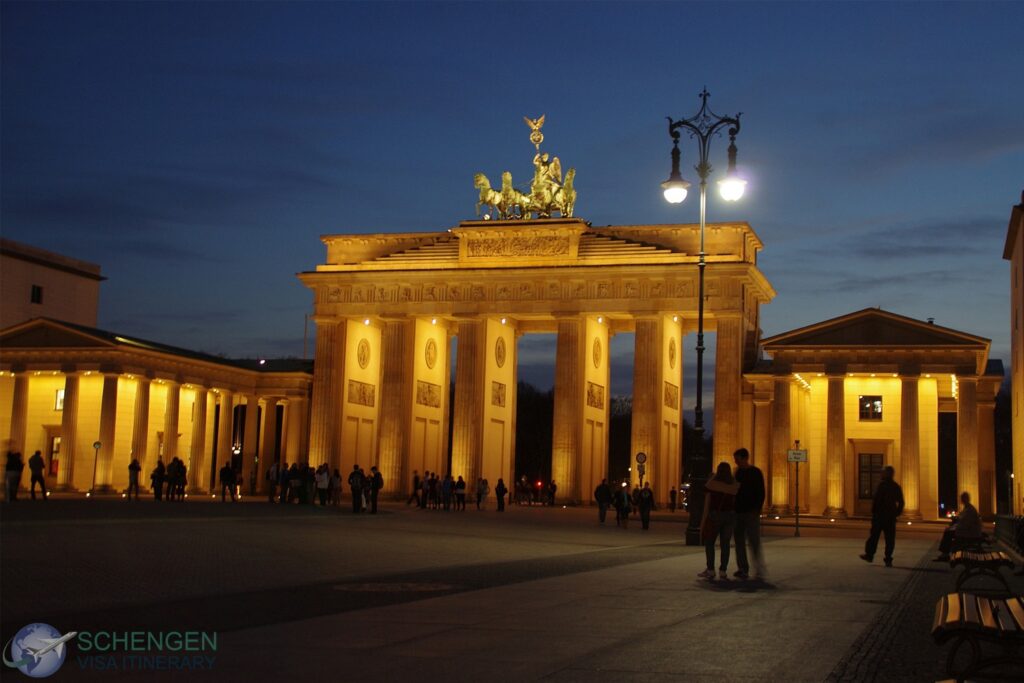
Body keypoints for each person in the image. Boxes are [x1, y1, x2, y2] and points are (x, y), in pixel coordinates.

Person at [699, 462, 739, 580]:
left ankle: (710, 569)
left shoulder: (713, 483)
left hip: (715, 515)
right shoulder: (734, 485)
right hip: (729, 517)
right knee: (725, 544)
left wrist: (712, 477)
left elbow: (704, 489)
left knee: (710, 542)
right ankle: (723, 571)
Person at [860, 465, 905, 567]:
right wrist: (896, 513)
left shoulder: (882, 485)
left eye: (883, 472)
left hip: (880, 516)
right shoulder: (896, 486)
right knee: (889, 539)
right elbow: (901, 502)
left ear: (888, 474)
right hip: (889, 517)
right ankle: (887, 558)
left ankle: (870, 555)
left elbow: (876, 500)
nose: (881, 474)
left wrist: (874, 512)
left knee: (874, 536)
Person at [732, 447, 766, 580]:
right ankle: (742, 568)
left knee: (754, 542)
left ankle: (758, 569)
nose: (736, 462)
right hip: (738, 512)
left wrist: (757, 509)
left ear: (744, 458)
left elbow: (761, 492)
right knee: (739, 542)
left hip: (751, 512)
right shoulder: (737, 472)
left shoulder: (756, 472)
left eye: (737, 459)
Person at [934, 491, 982, 561]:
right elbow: (963, 520)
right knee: (948, 531)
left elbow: (965, 524)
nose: (961, 500)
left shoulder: (969, 509)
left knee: (948, 533)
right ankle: (945, 553)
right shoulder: (968, 508)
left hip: (970, 533)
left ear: (965, 499)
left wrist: (954, 527)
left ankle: (945, 554)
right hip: (969, 531)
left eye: (962, 498)